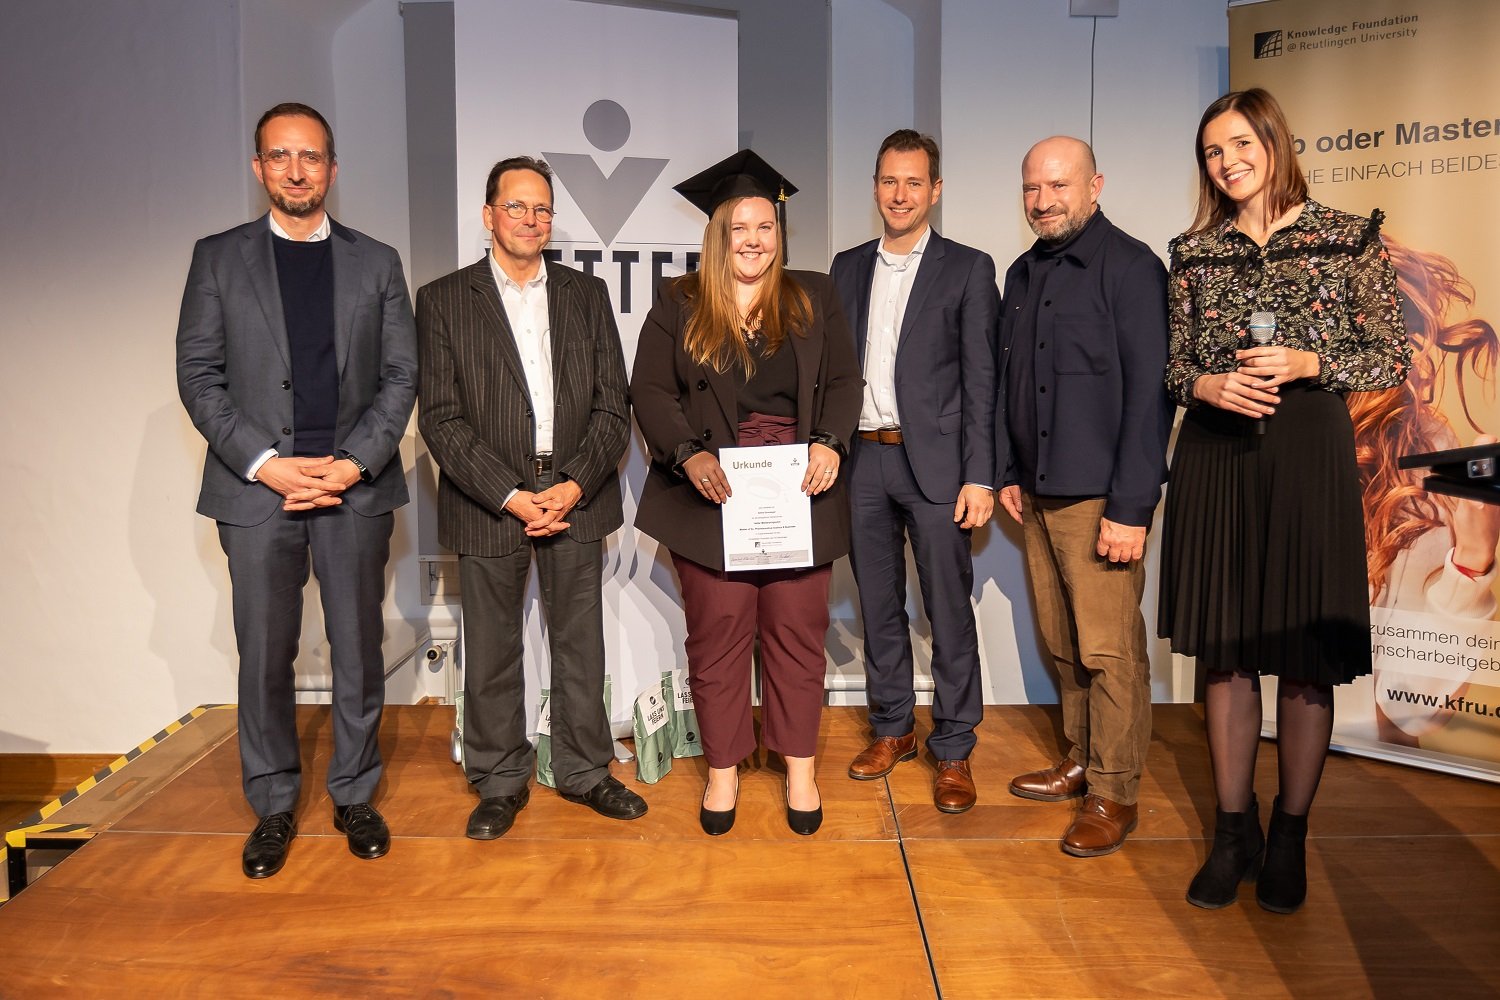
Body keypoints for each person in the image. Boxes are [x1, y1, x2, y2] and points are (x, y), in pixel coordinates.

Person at [1158, 88, 1411, 913]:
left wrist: (1309, 363)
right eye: (1211, 153)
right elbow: (1172, 366)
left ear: (1274, 141)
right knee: (1225, 656)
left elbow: (1388, 356)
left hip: (1306, 456)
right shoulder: (1193, 251)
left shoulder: (1347, 237)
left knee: (1305, 662)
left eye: (1238, 145)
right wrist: (1207, 383)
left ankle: (1290, 833)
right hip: (1217, 454)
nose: (1226, 163)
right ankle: (1234, 832)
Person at [176, 102, 417, 878]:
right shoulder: (217, 259)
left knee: (357, 650)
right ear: (258, 168)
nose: (296, 170)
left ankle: (353, 793)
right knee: (265, 656)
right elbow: (199, 376)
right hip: (259, 494)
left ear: (332, 169)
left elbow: (401, 378)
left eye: (310, 156)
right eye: (279, 156)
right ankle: (275, 803)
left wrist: (352, 463)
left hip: (353, 489)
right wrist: (264, 464)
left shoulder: (377, 263)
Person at [632, 150, 862, 836]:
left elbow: (847, 382)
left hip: (797, 494)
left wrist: (830, 440)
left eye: (765, 226)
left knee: (796, 632)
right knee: (720, 634)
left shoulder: (815, 295)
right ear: (718, 236)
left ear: (779, 233)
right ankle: (726, 771)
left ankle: (799, 768)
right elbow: (649, 388)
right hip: (714, 496)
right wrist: (685, 454)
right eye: (740, 228)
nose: (755, 240)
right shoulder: (679, 302)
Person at [416, 156, 646, 840]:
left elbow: (614, 405)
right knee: (490, 648)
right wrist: (513, 495)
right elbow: (442, 419)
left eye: (542, 209)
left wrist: (574, 483)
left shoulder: (587, 294)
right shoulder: (444, 300)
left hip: (576, 490)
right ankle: (498, 778)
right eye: (517, 207)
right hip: (490, 499)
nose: (531, 220)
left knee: (581, 643)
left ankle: (583, 770)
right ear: (488, 215)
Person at [996, 137, 1172, 857]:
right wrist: (1008, 468)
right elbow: (1011, 382)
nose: (1043, 200)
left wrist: (1132, 507)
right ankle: (1079, 757)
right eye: (1033, 187)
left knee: (1110, 651)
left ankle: (1114, 789)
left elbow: (1150, 399)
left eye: (1058, 186)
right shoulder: (1021, 273)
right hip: (1034, 494)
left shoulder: (1132, 269)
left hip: (1100, 500)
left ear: (1094, 185)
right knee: (1064, 645)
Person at [831, 130, 999, 813]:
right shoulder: (844, 268)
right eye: (888, 181)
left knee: (948, 611)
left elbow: (983, 381)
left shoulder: (968, 268)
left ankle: (954, 746)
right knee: (878, 606)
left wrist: (981, 476)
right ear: (875, 187)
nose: (899, 195)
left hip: (937, 467)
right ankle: (893, 727)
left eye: (913, 183)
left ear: (934, 190)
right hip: (862, 461)